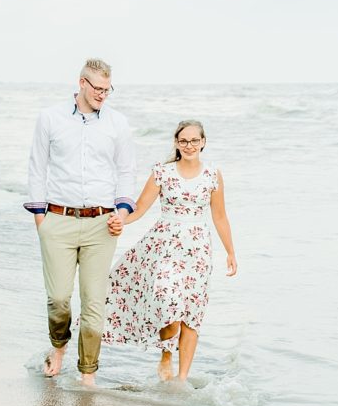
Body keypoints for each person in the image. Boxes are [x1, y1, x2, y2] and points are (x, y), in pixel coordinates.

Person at [25, 58, 136, 385]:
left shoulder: (118, 123)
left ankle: (88, 374)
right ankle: (58, 347)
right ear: (82, 83)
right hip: (57, 221)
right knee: (58, 297)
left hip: (102, 224)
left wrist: (123, 214)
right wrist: (40, 221)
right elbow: (37, 168)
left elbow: (126, 172)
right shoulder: (50, 118)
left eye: (107, 89)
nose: (103, 95)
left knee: (94, 302)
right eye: (97, 88)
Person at [102, 120, 237, 382]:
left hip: (198, 248)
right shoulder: (162, 172)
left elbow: (220, 217)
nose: (189, 146)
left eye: (194, 140)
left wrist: (230, 252)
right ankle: (166, 354)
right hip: (165, 245)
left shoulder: (212, 174)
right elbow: (140, 208)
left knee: (192, 313)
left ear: (203, 142)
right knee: (167, 299)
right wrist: (120, 219)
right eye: (184, 141)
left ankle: (182, 378)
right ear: (176, 143)